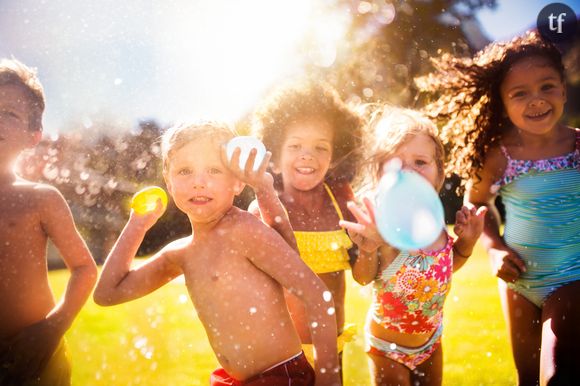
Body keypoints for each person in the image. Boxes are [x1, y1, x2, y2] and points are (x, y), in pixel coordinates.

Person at [93, 122, 341, 386]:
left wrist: (328, 379)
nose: (199, 182)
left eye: (214, 170)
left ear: (237, 181)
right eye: (185, 171)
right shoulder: (181, 253)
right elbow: (108, 294)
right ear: (168, 179)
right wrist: (137, 225)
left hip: (281, 377)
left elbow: (317, 295)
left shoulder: (244, 230)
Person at [417, 31, 580, 385]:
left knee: (555, 374)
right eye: (520, 93)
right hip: (518, 281)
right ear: (502, 103)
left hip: (573, 280)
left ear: (563, 90)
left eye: (547, 86)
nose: (536, 100)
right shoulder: (499, 154)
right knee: (526, 378)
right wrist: (493, 248)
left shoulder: (579, 145)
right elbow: (477, 204)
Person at [340, 106, 486, 385]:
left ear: (439, 174)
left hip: (431, 341)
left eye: (420, 162)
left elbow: (444, 268)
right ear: (378, 175)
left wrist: (467, 242)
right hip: (388, 348)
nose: (408, 172)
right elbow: (363, 278)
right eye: (395, 164)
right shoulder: (382, 224)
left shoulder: (436, 223)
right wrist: (370, 249)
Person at [251, 80, 363, 373]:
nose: (307, 155)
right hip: (281, 353)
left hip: (331, 345)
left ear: (335, 156)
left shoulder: (342, 199)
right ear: (274, 156)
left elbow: (363, 270)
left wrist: (369, 245)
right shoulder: (264, 207)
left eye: (320, 147)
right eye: (295, 145)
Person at [0, 58, 98, 386]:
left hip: (39, 355)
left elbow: (85, 269)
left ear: (33, 135)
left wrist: (53, 328)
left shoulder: (41, 198)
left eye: (8, 114)